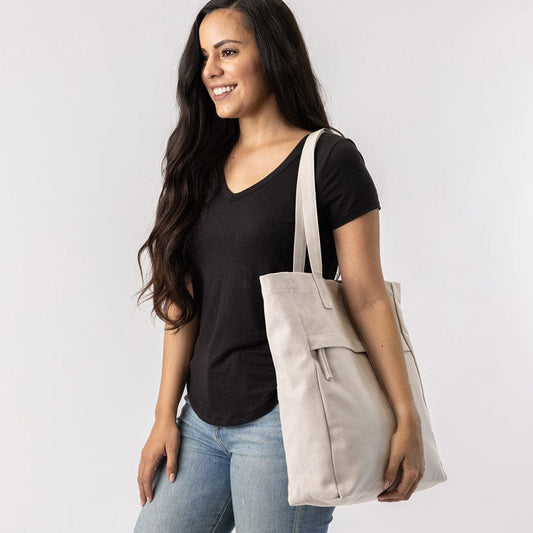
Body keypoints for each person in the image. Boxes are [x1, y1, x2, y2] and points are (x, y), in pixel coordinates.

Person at [133, 0, 425, 531]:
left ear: (270, 52)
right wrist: (163, 417)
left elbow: (366, 295)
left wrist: (407, 417)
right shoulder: (198, 163)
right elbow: (182, 298)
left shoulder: (328, 161)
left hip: (288, 422)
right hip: (199, 420)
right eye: (204, 56)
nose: (211, 70)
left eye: (228, 52)